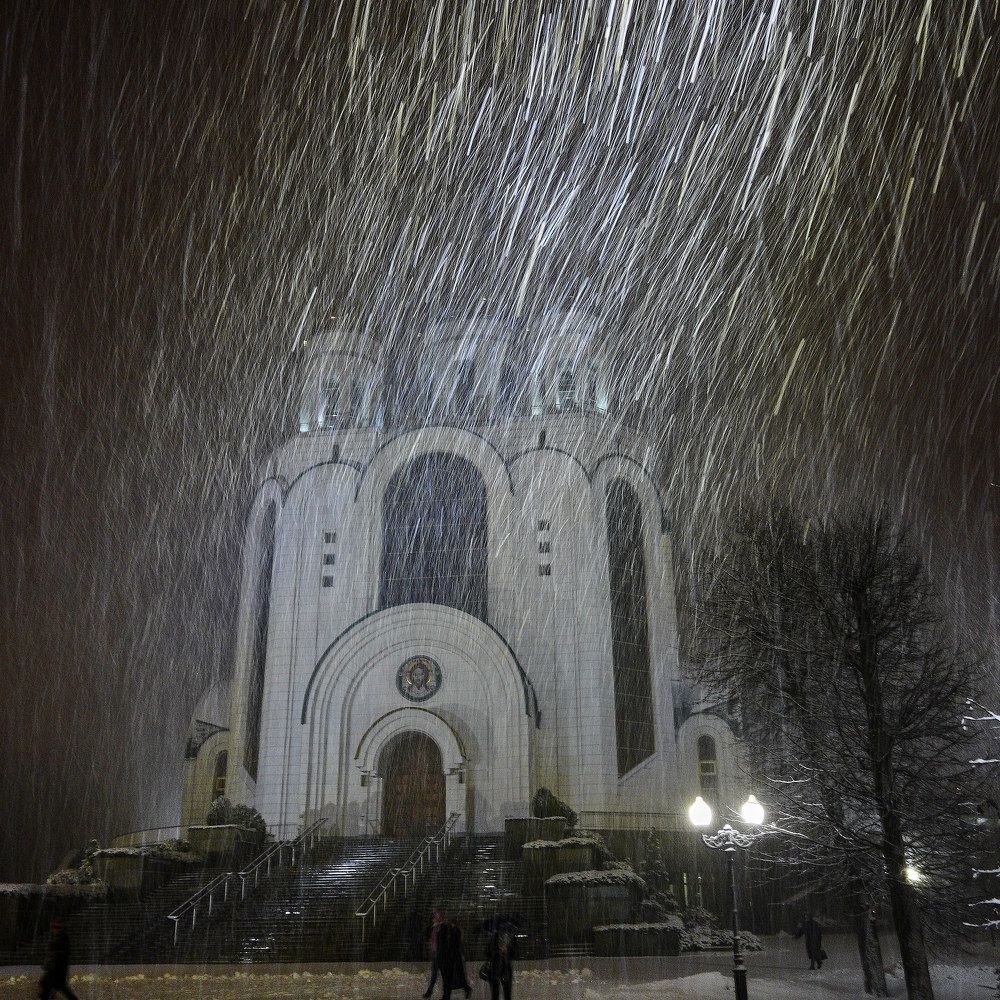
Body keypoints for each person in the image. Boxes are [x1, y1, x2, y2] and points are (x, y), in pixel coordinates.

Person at [38, 919, 79, 1000]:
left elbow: (63, 954)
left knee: (54, 987)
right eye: (53, 927)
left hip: (57, 970)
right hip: (54, 969)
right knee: (48, 986)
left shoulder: (63, 938)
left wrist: (55, 952)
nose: (55, 929)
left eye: (57, 927)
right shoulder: (56, 938)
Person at [436, 919, 471, 1000]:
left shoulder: (451, 931)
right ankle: (447, 996)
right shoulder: (452, 931)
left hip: (448, 959)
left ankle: (447, 996)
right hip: (449, 959)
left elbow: (447, 944)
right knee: (449, 978)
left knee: (448, 979)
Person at [484, 921, 517, 1000]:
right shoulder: (493, 938)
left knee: (507, 994)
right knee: (495, 994)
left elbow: (516, 954)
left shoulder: (512, 938)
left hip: (506, 969)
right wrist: (498, 950)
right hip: (494, 968)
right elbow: (488, 953)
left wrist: (507, 949)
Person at [422, 909, 446, 998]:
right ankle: (430, 991)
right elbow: (431, 940)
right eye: (433, 917)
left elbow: (443, 941)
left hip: (442, 954)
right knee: (434, 974)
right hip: (436, 954)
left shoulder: (443, 927)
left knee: (443, 975)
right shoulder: (433, 928)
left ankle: (444, 994)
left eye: (435, 916)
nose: (433, 918)